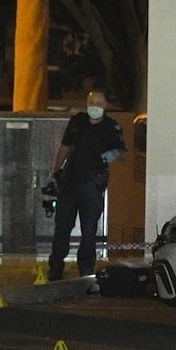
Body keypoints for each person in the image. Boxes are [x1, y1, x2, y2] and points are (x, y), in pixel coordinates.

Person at [47, 90, 126, 281]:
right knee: (63, 226)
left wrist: (113, 154)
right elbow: (65, 147)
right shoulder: (77, 122)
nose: (95, 107)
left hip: (92, 183)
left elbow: (122, 152)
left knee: (89, 229)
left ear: (106, 106)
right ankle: (56, 266)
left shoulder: (111, 127)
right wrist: (55, 171)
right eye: (92, 102)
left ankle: (86, 267)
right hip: (70, 181)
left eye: (99, 103)